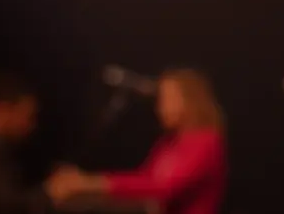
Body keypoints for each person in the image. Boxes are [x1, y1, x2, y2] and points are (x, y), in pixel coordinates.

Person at [59, 68, 227, 214]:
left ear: (190, 100)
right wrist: (85, 186)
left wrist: (92, 184)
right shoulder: (168, 142)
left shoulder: (207, 143)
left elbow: (163, 188)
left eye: (168, 98)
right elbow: (145, 178)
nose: (160, 107)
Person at [0, 72, 80, 214]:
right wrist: (51, 191)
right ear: (3, 110)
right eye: (28, 117)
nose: (32, 125)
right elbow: (10, 207)